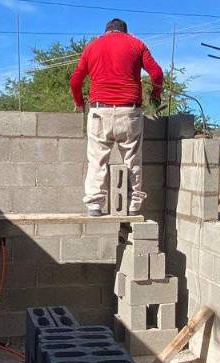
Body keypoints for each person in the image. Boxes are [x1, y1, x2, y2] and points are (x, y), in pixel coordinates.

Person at [70, 18, 164, 216]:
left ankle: (95, 205)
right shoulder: (136, 44)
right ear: (125, 32)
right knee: (132, 161)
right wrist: (156, 95)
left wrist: (79, 102)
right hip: (129, 113)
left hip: (99, 112)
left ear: (107, 31)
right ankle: (133, 205)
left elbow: (75, 80)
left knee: (97, 160)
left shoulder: (92, 46)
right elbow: (156, 74)